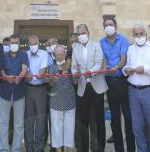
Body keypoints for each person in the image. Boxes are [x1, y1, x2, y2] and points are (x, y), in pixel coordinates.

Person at [123, 24, 150, 152]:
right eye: (136, 34)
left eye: (141, 33)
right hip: (133, 91)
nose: (139, 36)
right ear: (133, 36)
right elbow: (126, 66)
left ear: (146, 34)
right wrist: (126, 70)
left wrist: (145, 69)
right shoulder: (130, 49)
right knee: (137, 127)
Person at [100, 18, 135, 152]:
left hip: (122, 82)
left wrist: (116, 67)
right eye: (106, 25)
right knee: (114, 118)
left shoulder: (123, 40)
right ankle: (119, 148)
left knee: (128, 116)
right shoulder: (102, 42)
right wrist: (104, 68)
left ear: (116, 26)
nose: (108, 27)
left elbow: (124, 58)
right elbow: (103, 59)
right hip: (109, 82)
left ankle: (131, 148)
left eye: (110, 25)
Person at [71, 24, 108, 152]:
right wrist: (74, 72)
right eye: (79, 33)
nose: (81, 35)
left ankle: (99, 148)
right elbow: (74, 66)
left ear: (88, 32)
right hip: (82, 87)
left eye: (83, 32)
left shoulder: (97, 45)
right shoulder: (75, 48)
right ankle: (84, 149)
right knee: (84, 120)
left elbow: (99, 63)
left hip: (97, 86)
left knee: (99, 120)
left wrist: (90, 72)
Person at [0, 34, 28, 152]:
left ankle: (16, 148)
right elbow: (1, 71)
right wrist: (6, 77)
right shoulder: (3, 56)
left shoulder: (23, 55)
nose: (14, 45)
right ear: (9, 43)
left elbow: (24, 69)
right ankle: (3, 148)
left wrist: (19, 78)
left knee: (19, 123)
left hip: (19, 92)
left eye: (16, 43)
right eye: (12, 43)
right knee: (3, 122)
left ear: (19, 44)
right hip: (5, 92)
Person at [47, 45, 75, 152]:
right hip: (56, 102)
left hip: (69, 101)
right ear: (54, 55)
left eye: (61, 54)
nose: (59, 56)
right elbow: (49, 83)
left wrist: (74, 74)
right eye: (57, 54)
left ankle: (67, 149)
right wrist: (53, 79)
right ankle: (58, 150)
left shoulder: (71, 66)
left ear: (64, 54)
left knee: (69, 127)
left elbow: (76, 81)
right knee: (56, 128)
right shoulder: (51, 67)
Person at [25, 35, 48, 152]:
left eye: (35, 44)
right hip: (28, 89)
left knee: (40, 121)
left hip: (41, 89)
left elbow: (42, 72)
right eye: (31, 44)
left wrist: (34, 74)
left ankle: (39, 148)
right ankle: (29, 148)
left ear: (39, 43)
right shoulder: (25, 54)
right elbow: (25, 71)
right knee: (29, 121)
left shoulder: (44, 54)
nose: (33, 46)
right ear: (28, 44)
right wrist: (27, 74)